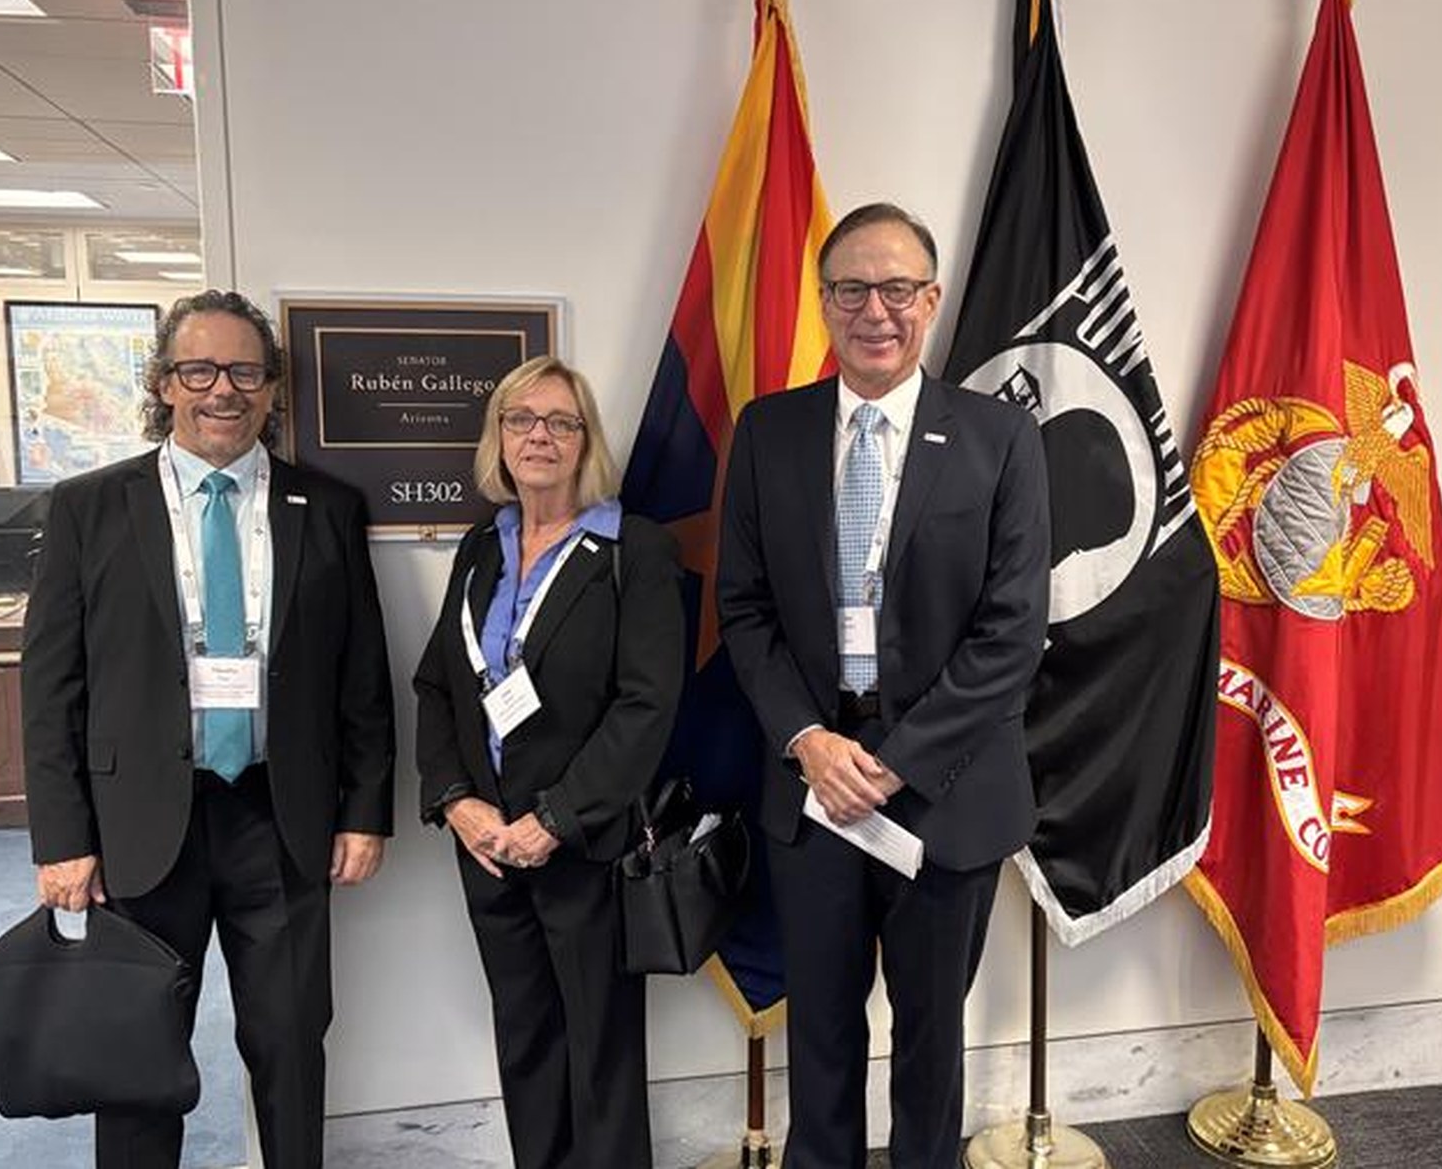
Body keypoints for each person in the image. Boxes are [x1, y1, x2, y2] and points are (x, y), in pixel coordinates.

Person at [22, 289, 395, 1169]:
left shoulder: (326, 508)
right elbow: (49, 689)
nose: (221, 390)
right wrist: (62, 837)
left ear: (270, 389)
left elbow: (362, 677)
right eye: (198, 370)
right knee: (140, 1052)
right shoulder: (90, 508)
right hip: (142, 824)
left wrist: (365, 808)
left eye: (244, 371)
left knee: (291, 1043)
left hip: (283, 816)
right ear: (163, 383)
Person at [717, 203, 1051, 1168]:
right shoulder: (769, 432)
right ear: (823, 303)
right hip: (812, 786)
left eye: (897, 288)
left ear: (931, 299)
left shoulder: (998, 438)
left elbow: (1010, 633)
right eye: (852, 288)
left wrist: (893, 764)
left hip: (944, 791)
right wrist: (810, 743)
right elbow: (744, 610)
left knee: (930, 1040)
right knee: (819, 1031)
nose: (876, 310)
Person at [414, 355, 684, 1169]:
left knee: (600, 1055)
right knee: (525, 1041)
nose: (538, 435)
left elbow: (647, 706)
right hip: (491, 850)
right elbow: (437, 686)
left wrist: (556, 819)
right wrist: (457, 801)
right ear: (498, 436)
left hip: (583, 847)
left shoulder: (632, 549)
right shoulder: (480, 547)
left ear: (584, 441)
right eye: (520, 419)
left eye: (559, 421)